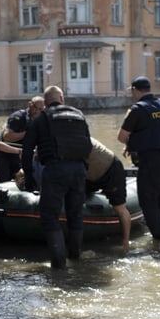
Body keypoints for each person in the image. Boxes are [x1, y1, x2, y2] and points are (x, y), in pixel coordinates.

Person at [22, 85, 92, 269]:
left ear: (45, 103)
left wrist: (29, 177)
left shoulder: (42, 118)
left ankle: (59, 267)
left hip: (55, 170)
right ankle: (76, 259)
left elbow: (27, 149)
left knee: (50, 217)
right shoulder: (79, 115)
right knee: (75, 215)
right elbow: (88, 144)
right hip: (78, 170)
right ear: (61, 98)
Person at [117, 76, 160, 241]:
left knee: (148, 201)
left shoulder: (137, 109)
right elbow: (155, 130)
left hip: (153, 163)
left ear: (134, 90)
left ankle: (159, 242)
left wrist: (130, 144)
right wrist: (134, 144)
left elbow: (122, 136)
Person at [85, 137, 131, 249]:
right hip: (90, 176)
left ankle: (126, 241)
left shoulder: (79, 138)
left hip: (110, 170)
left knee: (120, 208)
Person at [0, 96, 45, 183]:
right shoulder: (18, 117)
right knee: (4, 182)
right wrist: (28, 133)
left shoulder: (41, 119)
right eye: (35, 108)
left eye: (40, 109)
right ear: (30, 105)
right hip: (5, 154)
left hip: (22, 154)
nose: (37, 112)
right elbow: (7, 137)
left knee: (23, 180)